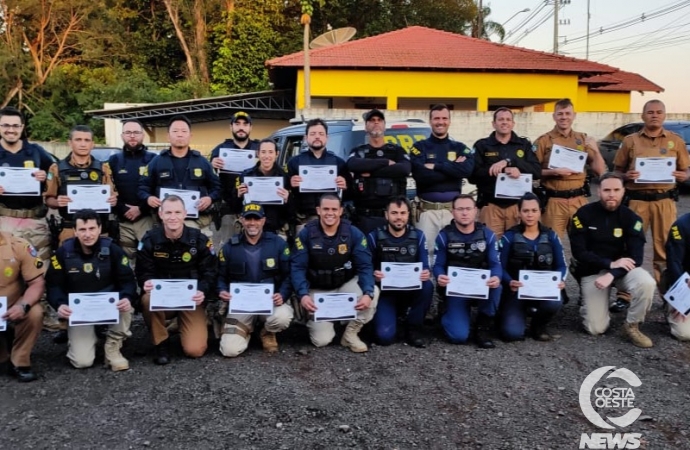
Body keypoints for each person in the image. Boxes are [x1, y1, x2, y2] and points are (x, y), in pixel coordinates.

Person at [568, 173, 655, 348]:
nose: (611, 194)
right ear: (598, 191)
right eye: (607, 190)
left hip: (623, 270)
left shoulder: (632, 219)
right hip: (593, 270)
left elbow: (636, 257)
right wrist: (608, 265)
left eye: (616, 190)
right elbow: (579, 252)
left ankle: (632, 325)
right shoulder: (583, 214)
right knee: (595, 328)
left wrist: (613, 272)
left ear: (623, 191)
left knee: (646, 282)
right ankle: (591, 303)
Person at [45, 209, 136, 370]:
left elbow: (128, 281)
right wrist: (60, 304)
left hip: (109, 305)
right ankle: (85, 338)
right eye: (82, 230)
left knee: (126, 305)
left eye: (92, 229)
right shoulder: (62, 253)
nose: (87, 234)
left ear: (99, 229)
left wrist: (127, 297)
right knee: (82, 362)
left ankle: (113, 347)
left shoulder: (114, 250)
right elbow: (53, 285)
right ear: (75, 231)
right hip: (80, 311)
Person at [613, 99, 689, 287]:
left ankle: (669, 294)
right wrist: (625, 175)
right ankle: (626, 294)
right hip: (637, 202)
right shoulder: (630, 141)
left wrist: (683, 176)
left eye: (658, 112)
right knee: (631, 245)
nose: (654, 115)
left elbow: (687, 170)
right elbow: (615, 171)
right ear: (642, 115)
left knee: (665, 249)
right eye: (650, 112)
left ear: (664, 115)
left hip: (664, 202)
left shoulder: (676, 141)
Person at [291, 194, 378, 352]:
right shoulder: (306, 234)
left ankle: (350, 333)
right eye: (325, 209)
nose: (329, 213)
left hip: (344, 285)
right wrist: (302, 294)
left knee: (373, 292)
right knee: (322, 340)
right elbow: (297, 268)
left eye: (333, 209)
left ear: (341, 211)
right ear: (318, 210)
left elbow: (365, 266)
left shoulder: (353, 233)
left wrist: (367, 292)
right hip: (317, 290)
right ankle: (326, 320)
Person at [136, 195, 217, 364]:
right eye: (168, 212)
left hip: (190, 299)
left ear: (185, 214)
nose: (173, 217)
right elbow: (143, 271)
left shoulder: (199, 239)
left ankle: (181, 324)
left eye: (177, 212)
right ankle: (161, 343)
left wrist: (202, 290)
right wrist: (147, 282)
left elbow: (210, 271)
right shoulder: (150, 239)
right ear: (161, 214)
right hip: (163, 300)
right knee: (147, 298)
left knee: (195, 350)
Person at [217, 203, 293, 356]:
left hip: (270, 302)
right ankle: (246, 330)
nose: (252, 223)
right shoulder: (229, 247)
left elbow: (289, 275)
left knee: (282, 316)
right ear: (241, 220)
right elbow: (220, 276)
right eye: (248, 219)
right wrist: (222, 291)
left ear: (263, 221)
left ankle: (267, 331)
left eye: (256, 219)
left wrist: (283, 294)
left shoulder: (278, 244)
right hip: (241, 305)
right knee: (229, 350)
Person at [433, 194, 502, 348]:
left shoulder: (487, 234)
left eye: (468, 209)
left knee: (498, 286)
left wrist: (496, 277)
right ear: (453, 212)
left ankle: (482, 327)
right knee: (458, 336)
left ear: (475, 211)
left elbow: (495, 264)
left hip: (480, 288)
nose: (464, 213)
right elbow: (437, 265)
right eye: (460, 209)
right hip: (456, 290)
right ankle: (445, 312)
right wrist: (440, 276)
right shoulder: (444, 236)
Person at [138, 115, 221, 239]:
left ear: (190, 136)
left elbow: (218, 188)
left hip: (198, 222)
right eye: (175, 131)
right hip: (166, 224)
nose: (180, 135)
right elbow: (142, 187)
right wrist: (149, 198)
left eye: (184, 131)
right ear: (168, 136)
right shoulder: (157, 162)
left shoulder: (202, 162)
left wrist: (209, 198)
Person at [498, 193, 566, 341]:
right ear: (519, 212)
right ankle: (514, 314)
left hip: (543, 290)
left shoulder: (551, 236)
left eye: (534, 211)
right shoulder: (509, 237)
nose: (530, 215)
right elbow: (499, 267)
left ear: (540, 211)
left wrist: (560, 281)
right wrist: (509, 281)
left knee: (555, 301)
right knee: (512, 334)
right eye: (526, 211)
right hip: (516, 291)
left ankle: (538, 325)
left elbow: (562, 265)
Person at [534, 98, 606, 236]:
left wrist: (596, 151)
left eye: (567, 113)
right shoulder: (543, 141)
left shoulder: (583, 139)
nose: (564, 117)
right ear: (554, 116)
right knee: (551, 243)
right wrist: (553, 172)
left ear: (574, 115)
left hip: (579, 200)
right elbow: (532, 171)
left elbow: (600, 171)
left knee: (584, 243)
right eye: (560, 114)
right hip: (554, 202)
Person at [410, 104, 474, 261]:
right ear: (430, 121)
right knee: (427, 255)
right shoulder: (419, 147)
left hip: (453, 212)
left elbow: (466, 171)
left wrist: (436, 166)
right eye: (436, 118)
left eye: (444, 118)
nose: (440, 122)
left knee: (456, 255)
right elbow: (421, 175)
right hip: (426, 212)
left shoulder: (460, 147)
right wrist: (453, 169)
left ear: (449, 121)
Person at [367, 196, 432, 347]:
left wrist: (425, 272)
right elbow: (366, 266)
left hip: (410, 291)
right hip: (386, 293)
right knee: (384, 338)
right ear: (386, 215)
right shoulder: (374, 236)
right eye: (394, 213)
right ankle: (390, 317)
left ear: (408, 214)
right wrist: (374, 274)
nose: (399, 217)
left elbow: (424, 265)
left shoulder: (418, 236)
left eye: (403, 213)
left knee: (427, 286)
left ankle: (413, 328)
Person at [470, 107, 541, 238]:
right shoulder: (482, 145)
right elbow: (472, 176)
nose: (504, 122)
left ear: (513, 124)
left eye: (508, 119)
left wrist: (513, 163)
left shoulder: (523, 144)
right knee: (492, 249)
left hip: (518, 208)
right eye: (501, 119)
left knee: (518, 249)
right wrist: (498, 170)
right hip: (491, 206)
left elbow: (537, 172)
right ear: (494, 123)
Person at [44, 125, 118, 245]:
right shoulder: (56, 168)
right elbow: (48, 199)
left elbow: (113, 197)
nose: (83, 144)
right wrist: (57, 202)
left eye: (87, 140)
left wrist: (112, 200)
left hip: (98, 230)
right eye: (78, 140)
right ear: (70, 143)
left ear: (92, 144)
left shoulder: (103, 168)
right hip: (69, 229)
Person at [0, 106, 54, 261]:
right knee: (6, 273)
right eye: (6, 125)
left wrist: (46, 176)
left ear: (22, 127)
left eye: (15, 126)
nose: (11, 130)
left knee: (40, 268)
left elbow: (55, 172)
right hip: (4, 221)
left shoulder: (35, 151)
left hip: (34, 222)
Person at [346, 109, 412, 234]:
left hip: (392, 220)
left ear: (384, 126)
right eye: (372, 120)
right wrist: (385, 163)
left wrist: (368, 172)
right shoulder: (359, 151)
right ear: (366, 127)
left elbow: (404, 169)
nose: (376, 123)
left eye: (379, 120)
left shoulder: (397, 151)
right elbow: (352, 164)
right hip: (364, 219)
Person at [287, 119, 350, 231]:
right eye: (313, 134)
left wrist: (345, 186)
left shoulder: (338, 163)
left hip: (331, 219)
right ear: (306, 138)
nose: (317, 137)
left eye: (321, 134)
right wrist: (290, 184)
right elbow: (285, 193)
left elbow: (351, 194)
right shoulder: (294, 162)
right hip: (304, 219)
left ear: (327, 138)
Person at [107, 119, 157, 259]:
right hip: (123, 219)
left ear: (143, 135)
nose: (132, 136)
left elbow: (157, 189)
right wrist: (123, 208)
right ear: (122, 136)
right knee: (124, 259)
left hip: (147, 217)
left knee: (148, 256)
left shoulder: (154, 160)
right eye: (128, 132)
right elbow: (109, 190)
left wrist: (140, 208)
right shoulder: (113, 161)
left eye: (136, 132)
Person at [0, 233, 45, 382]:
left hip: (11, 306)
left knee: (34, 313)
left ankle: (20, 361)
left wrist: (22, 306)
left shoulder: (18, 246)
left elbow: (37, 283)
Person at [210, 111, 260, 238]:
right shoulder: (220, 150)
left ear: (251, 127)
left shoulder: (259, 149)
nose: (241, 127)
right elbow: (211, 179)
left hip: (256, 209)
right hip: (229, 210)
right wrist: (212, 165)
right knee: (228, 248)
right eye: (237, 124)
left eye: (245, 124)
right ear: (231, 127)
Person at [237, 139, 291, 237]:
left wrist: (288, 198)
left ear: (277, 154)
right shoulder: (246, 176)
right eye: (263, 152)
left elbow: (291, 210)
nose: (267, 156)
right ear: (258, 154)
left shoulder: (284, 177)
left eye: (270, 152)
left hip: (276, 230)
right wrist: (239, 195)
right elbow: (235, 205)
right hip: (252, 229)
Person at [661, 213, 690, 341]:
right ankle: (670, 305)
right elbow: (674, 263)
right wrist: (682, 298)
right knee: (684, 334)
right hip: (686, 284)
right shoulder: (681, 226)